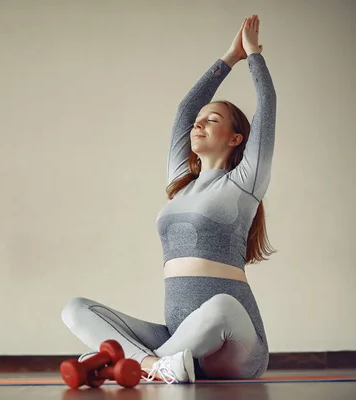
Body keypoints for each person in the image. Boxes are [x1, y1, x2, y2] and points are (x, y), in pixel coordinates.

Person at [61, 14, 276, 383]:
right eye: (200, 120)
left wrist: (251, 55)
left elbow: (267, 106)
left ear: (236, 138)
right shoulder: (181, 184)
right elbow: (183, 111)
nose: (198, 123)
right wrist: (227, 57)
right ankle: (151, 367)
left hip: (235, 347)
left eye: (211, 120)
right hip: (179, 340)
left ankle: (122, 365)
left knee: (223, 306)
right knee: (75, 309)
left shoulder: (244, 183)